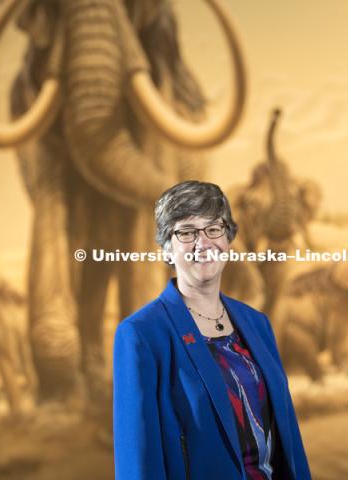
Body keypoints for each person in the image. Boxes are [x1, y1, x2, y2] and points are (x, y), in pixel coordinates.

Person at [113, 181, 311, 479]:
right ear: (167, 247)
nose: (203, 243)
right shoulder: (141, 334)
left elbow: (290, 443)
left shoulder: (257, 324)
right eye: (187, 232)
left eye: (213, 229)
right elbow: (137, 463)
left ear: (228, 238)